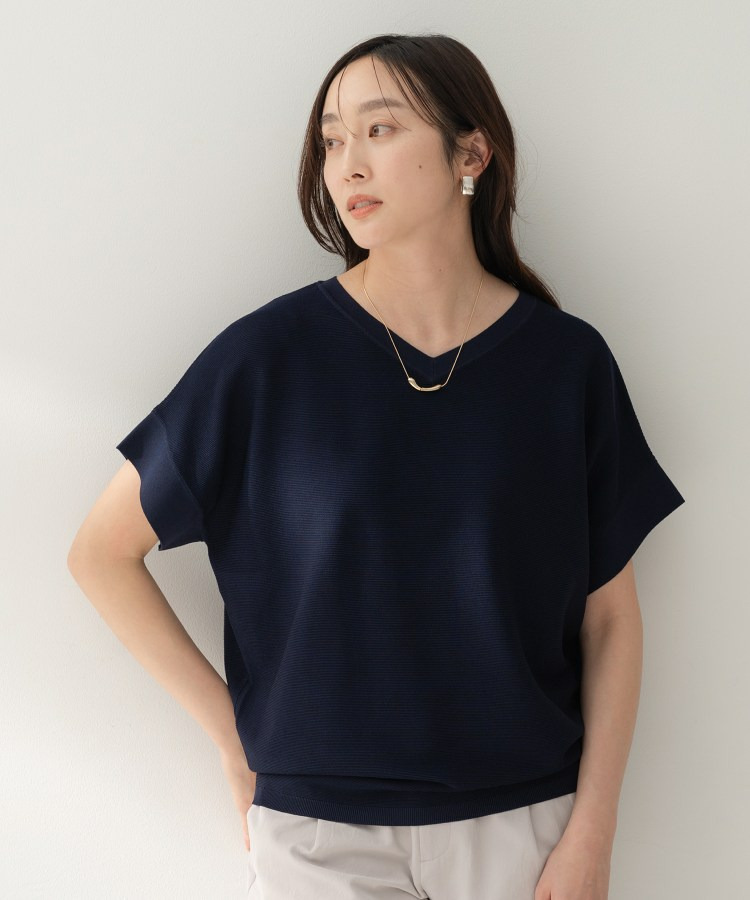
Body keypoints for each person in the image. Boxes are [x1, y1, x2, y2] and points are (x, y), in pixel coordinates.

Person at [67, 32, 685, 900]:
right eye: (331, 140)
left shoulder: (565, 365)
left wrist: (594, 831)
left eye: (380, 129)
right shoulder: (265, 360)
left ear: (471, 154)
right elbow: (100, 553)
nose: (347, 163)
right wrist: (232, 740)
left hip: (523, 828)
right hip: (318, 840)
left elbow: (611, 621)